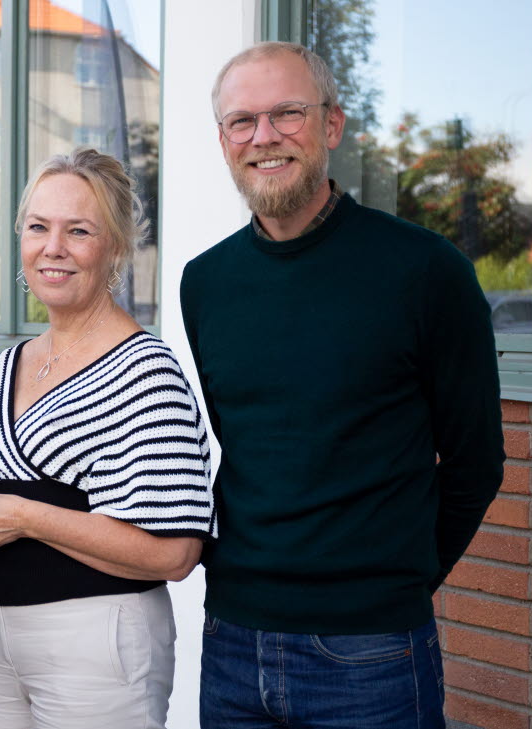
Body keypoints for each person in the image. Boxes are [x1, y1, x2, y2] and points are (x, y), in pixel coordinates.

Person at [182, 42, 505, 728]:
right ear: (222, 140)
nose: (264, 137)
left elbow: (476, 463)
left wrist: (396, 586)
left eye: (287, 114)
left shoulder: (425, 271)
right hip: (233, 643)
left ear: (332, 125)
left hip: (372, 656)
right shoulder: (205, 283)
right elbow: (247, 445)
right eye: (242, 121)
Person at [0, 148, 214, 729]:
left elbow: (175, 553)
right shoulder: (8, 364)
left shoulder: (144, 371)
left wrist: (28, 516)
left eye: (79, 231)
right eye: (39, 227)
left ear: (116, 247)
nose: (54, 247)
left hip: (98, 638)